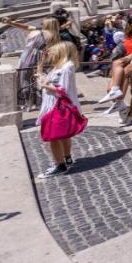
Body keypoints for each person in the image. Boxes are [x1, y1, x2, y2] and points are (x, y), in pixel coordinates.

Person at [36, 41, 82, 178]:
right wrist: (41, 62)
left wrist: (45, 85)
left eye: (54, 50)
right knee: (62, 135)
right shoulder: (58, 67)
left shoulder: (67, 67)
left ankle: (59, 165)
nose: (51, 52)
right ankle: (66, 159)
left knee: (54, 137)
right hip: (52, 104)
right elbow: (41, 76)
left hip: (58, 106)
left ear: (62, 51)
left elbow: (64, 90)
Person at [16, 17, 59, 112]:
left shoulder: (36, 31)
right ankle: (38, 103)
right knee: (37, 81)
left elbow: (27, 28)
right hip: (39, 59)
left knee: (24, 80)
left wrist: (11, 22)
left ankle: (26, 104)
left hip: (25, 57)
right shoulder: (53, 36)